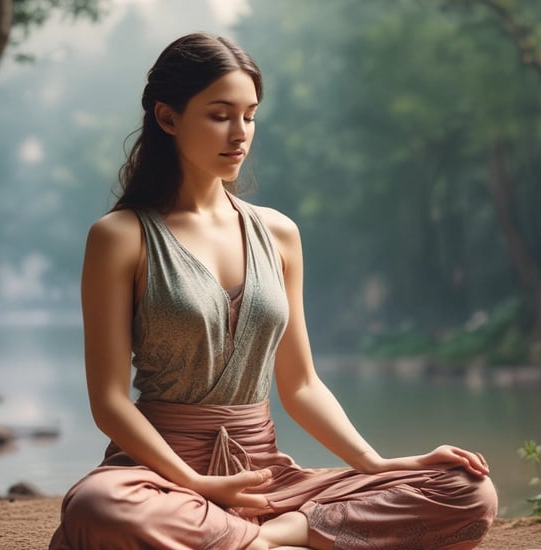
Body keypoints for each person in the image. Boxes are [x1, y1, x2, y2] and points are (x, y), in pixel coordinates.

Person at [49, 32, 497, 550]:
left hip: (265, 478)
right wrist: (194, 482)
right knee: (99, 507)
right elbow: (109, 401)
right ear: (168, 118)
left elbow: (301, 384)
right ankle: (267, 540)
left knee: (468, 491)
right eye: (220, 115)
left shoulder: (278, 233)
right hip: (160, 476)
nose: (239, 133)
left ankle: (271, 536)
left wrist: (376, 464)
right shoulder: (120, 236)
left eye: (250, 115)